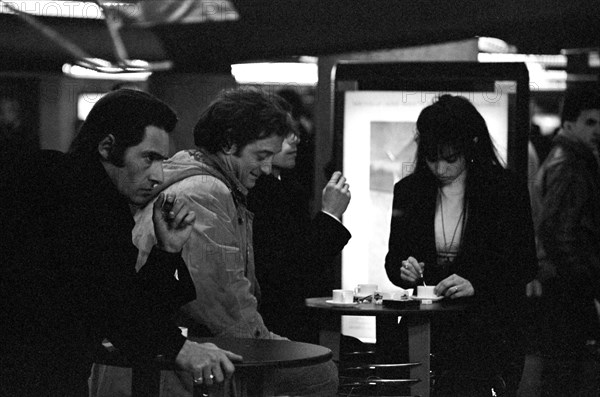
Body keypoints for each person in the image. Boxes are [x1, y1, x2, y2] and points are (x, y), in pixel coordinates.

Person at [0, 89, 241, 396]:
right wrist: (181, 349)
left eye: (163, 161)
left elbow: (124, 300)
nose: (158, 175)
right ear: (107, 146)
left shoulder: (90, 194)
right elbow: (112, 304)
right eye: (149, 158)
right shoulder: (71, 191)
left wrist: (166, 250)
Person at [115, 88, 340, 396]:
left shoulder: (203, 181)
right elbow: (225, 308)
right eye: (260, 156)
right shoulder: (205, 191)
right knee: (320, 373)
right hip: (164, 369)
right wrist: (279, 349)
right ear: (229, 143)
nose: (265, 169)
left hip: (154, 358)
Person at [384, 94, 537, 396]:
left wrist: (476, 283)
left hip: (488, 332)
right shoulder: (410, 191)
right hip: (426, 330)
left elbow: (525, 263)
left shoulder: (504, 189)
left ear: (470, 147)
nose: (439, 168)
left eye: (450, 158)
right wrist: (405, 270)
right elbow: (393, 261)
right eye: (431, 158)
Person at [519, 87, 600, 396]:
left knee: (560, 370)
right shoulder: (571, 164)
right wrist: (586, 281)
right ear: (568, 125)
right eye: (589, 123)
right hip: (566, 285)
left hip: (561, 282)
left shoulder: (566, 158)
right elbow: (558, 233)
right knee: (566, 372)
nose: (597, 131)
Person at [248, 122, 352, 343]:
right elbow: (295, 270)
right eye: (284, 134)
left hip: (298, 321)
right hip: (275, 327)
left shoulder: (289, 189)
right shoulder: (257, 193)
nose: (294, 139)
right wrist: (330, 214)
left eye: (294, 132)